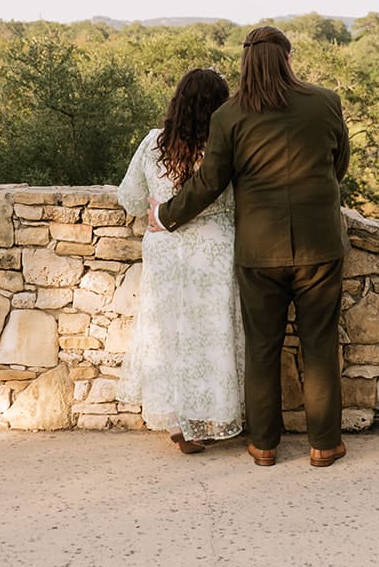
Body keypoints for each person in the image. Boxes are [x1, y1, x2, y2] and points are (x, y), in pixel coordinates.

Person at [151, 25, 351, 468]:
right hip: (320, 245)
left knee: (262, 346)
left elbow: (208, 183)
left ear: (245, 62)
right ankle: (324, 444)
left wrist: (166, 215)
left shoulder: (230, 116)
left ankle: (264, 445)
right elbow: (340, 166)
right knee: (319, 343)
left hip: (259, 251)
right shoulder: (325, 103)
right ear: (288, 58)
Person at [116, 68, 245, 454]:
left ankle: (177, 424)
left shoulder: (154, 143)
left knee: (168, 335)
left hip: (166, 249)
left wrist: (157, 208)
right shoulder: (225, 146)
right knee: (211, 336)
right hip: (215, 250)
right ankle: (206, 421)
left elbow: (130, 198)